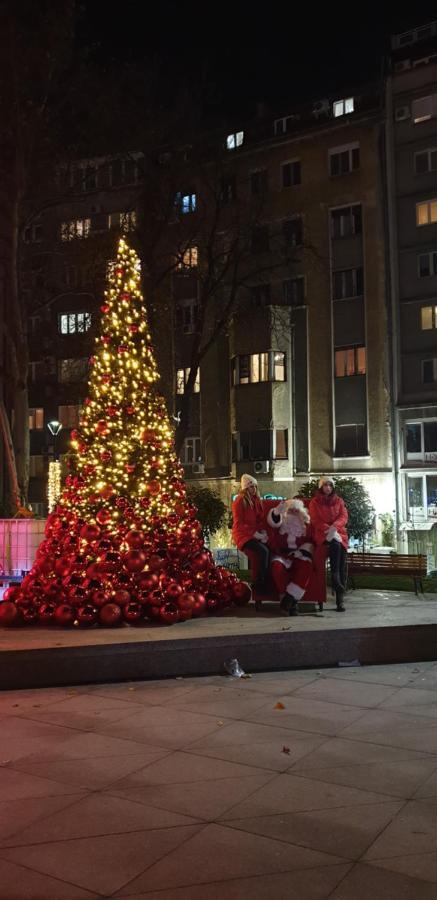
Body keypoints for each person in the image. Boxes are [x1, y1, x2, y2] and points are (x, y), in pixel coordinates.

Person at [267, 498, 314, 615]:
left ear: (301, 512)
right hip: (282, 555)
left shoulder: (306, 527)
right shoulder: (280, 525)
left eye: (296, 511)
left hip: (299, 554)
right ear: (286, 512)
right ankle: (290, 603)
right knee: (276, 566)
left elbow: (311, 541)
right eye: (290, 510)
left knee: (306, 566)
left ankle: (289, 599)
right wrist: (276, 513)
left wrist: (302, 552)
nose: (293, 513)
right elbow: (273, 524)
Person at [309, 476, 348, 612]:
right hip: (323, 534)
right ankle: (335, 577)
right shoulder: (314, 502)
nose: (328, 488)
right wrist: (328, 529)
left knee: (341, 553)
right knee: (336, 545)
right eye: (325, 485)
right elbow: (315, 520)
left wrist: (335, 527)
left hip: (339, 534)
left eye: (330, 485)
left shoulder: (339, 501)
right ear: (321, 487)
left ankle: (339, 599)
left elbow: (343, 517)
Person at [231, 474, 270, 595]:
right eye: (251, 487)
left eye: (255, 486)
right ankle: (260, 583)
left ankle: (265, 581)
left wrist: (262, 532)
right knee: (263, 551)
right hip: (243, 535)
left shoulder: (257, 501)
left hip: (253, 534)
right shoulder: (240, 501)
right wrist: (256, 534)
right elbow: (239, 524)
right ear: (245, 488)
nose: (254, 489)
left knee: (267, 550)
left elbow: (260, 520)